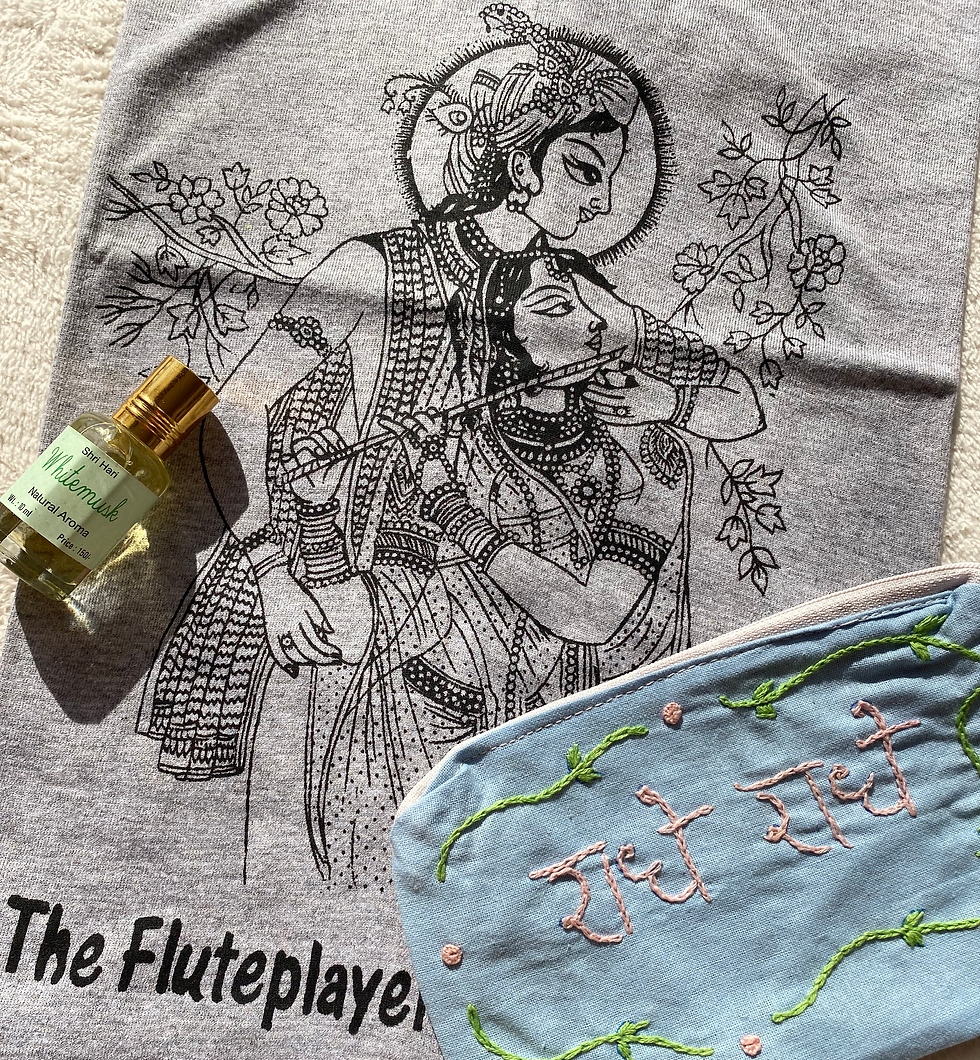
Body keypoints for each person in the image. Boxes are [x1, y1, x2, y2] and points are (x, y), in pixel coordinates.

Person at [138, 7, 763, 886]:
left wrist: (664, 396)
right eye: (582, 169)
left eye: (611, 181)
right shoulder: (381, 270)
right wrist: (275, 572)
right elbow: (229, 413)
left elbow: (739, 401)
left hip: (539, 609)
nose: (598, 201)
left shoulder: (579, 299)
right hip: (378, 597)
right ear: (520, 162)